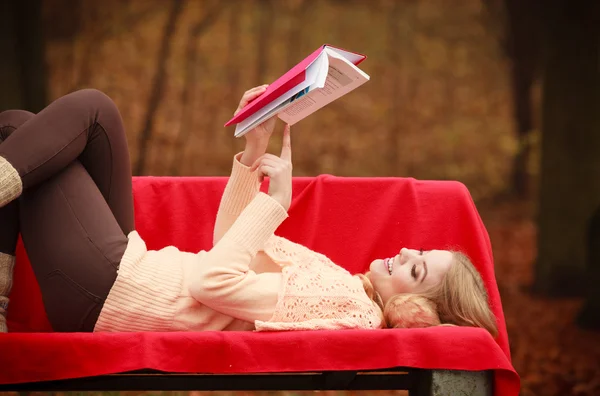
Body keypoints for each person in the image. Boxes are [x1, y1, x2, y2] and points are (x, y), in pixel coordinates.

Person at [0, 87, 498, 337]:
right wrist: (253, 153)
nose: (407, 250)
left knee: (90, 109)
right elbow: (229, 252)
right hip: (129, 273)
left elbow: (209, 283)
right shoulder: (348, 286)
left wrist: (276, 203)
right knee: (20, 127)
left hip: (110, 293)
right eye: (420, 251)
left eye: (417, 268)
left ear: (420, 311)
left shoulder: (346, 306)